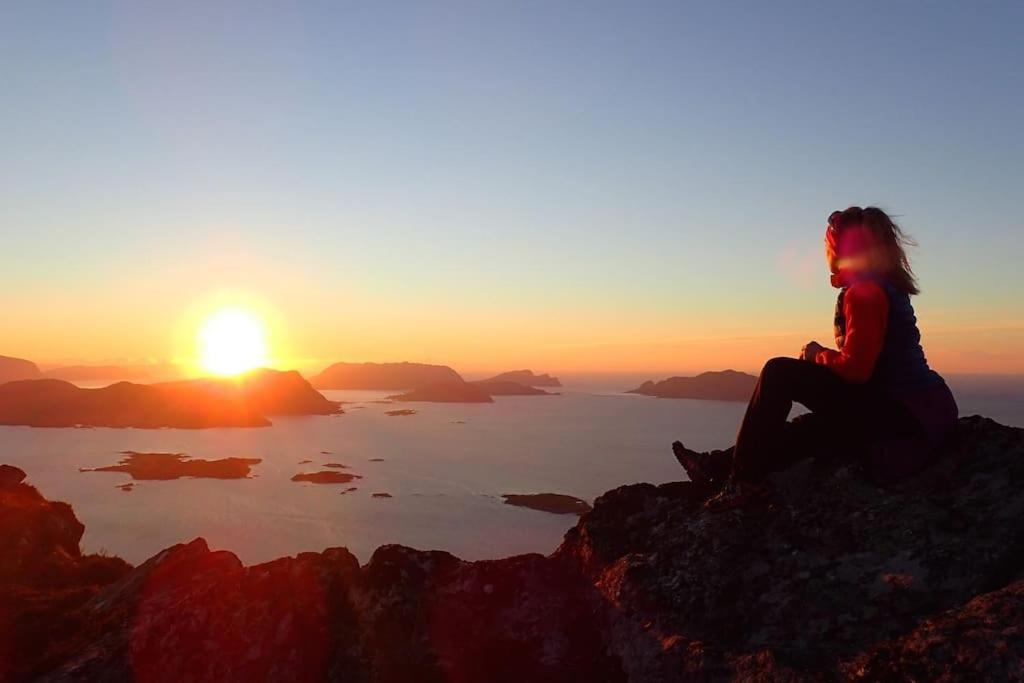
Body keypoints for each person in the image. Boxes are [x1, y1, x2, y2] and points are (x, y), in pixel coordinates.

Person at [674, 206, 958, 511]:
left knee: (778, 372)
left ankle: (742, 484)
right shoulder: (881, 286)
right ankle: (715, 468)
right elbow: (867, 363)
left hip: (903, 413)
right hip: (919, 412)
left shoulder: (865, 292)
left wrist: (815, 355)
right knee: (807, 430)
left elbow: (857, 370)